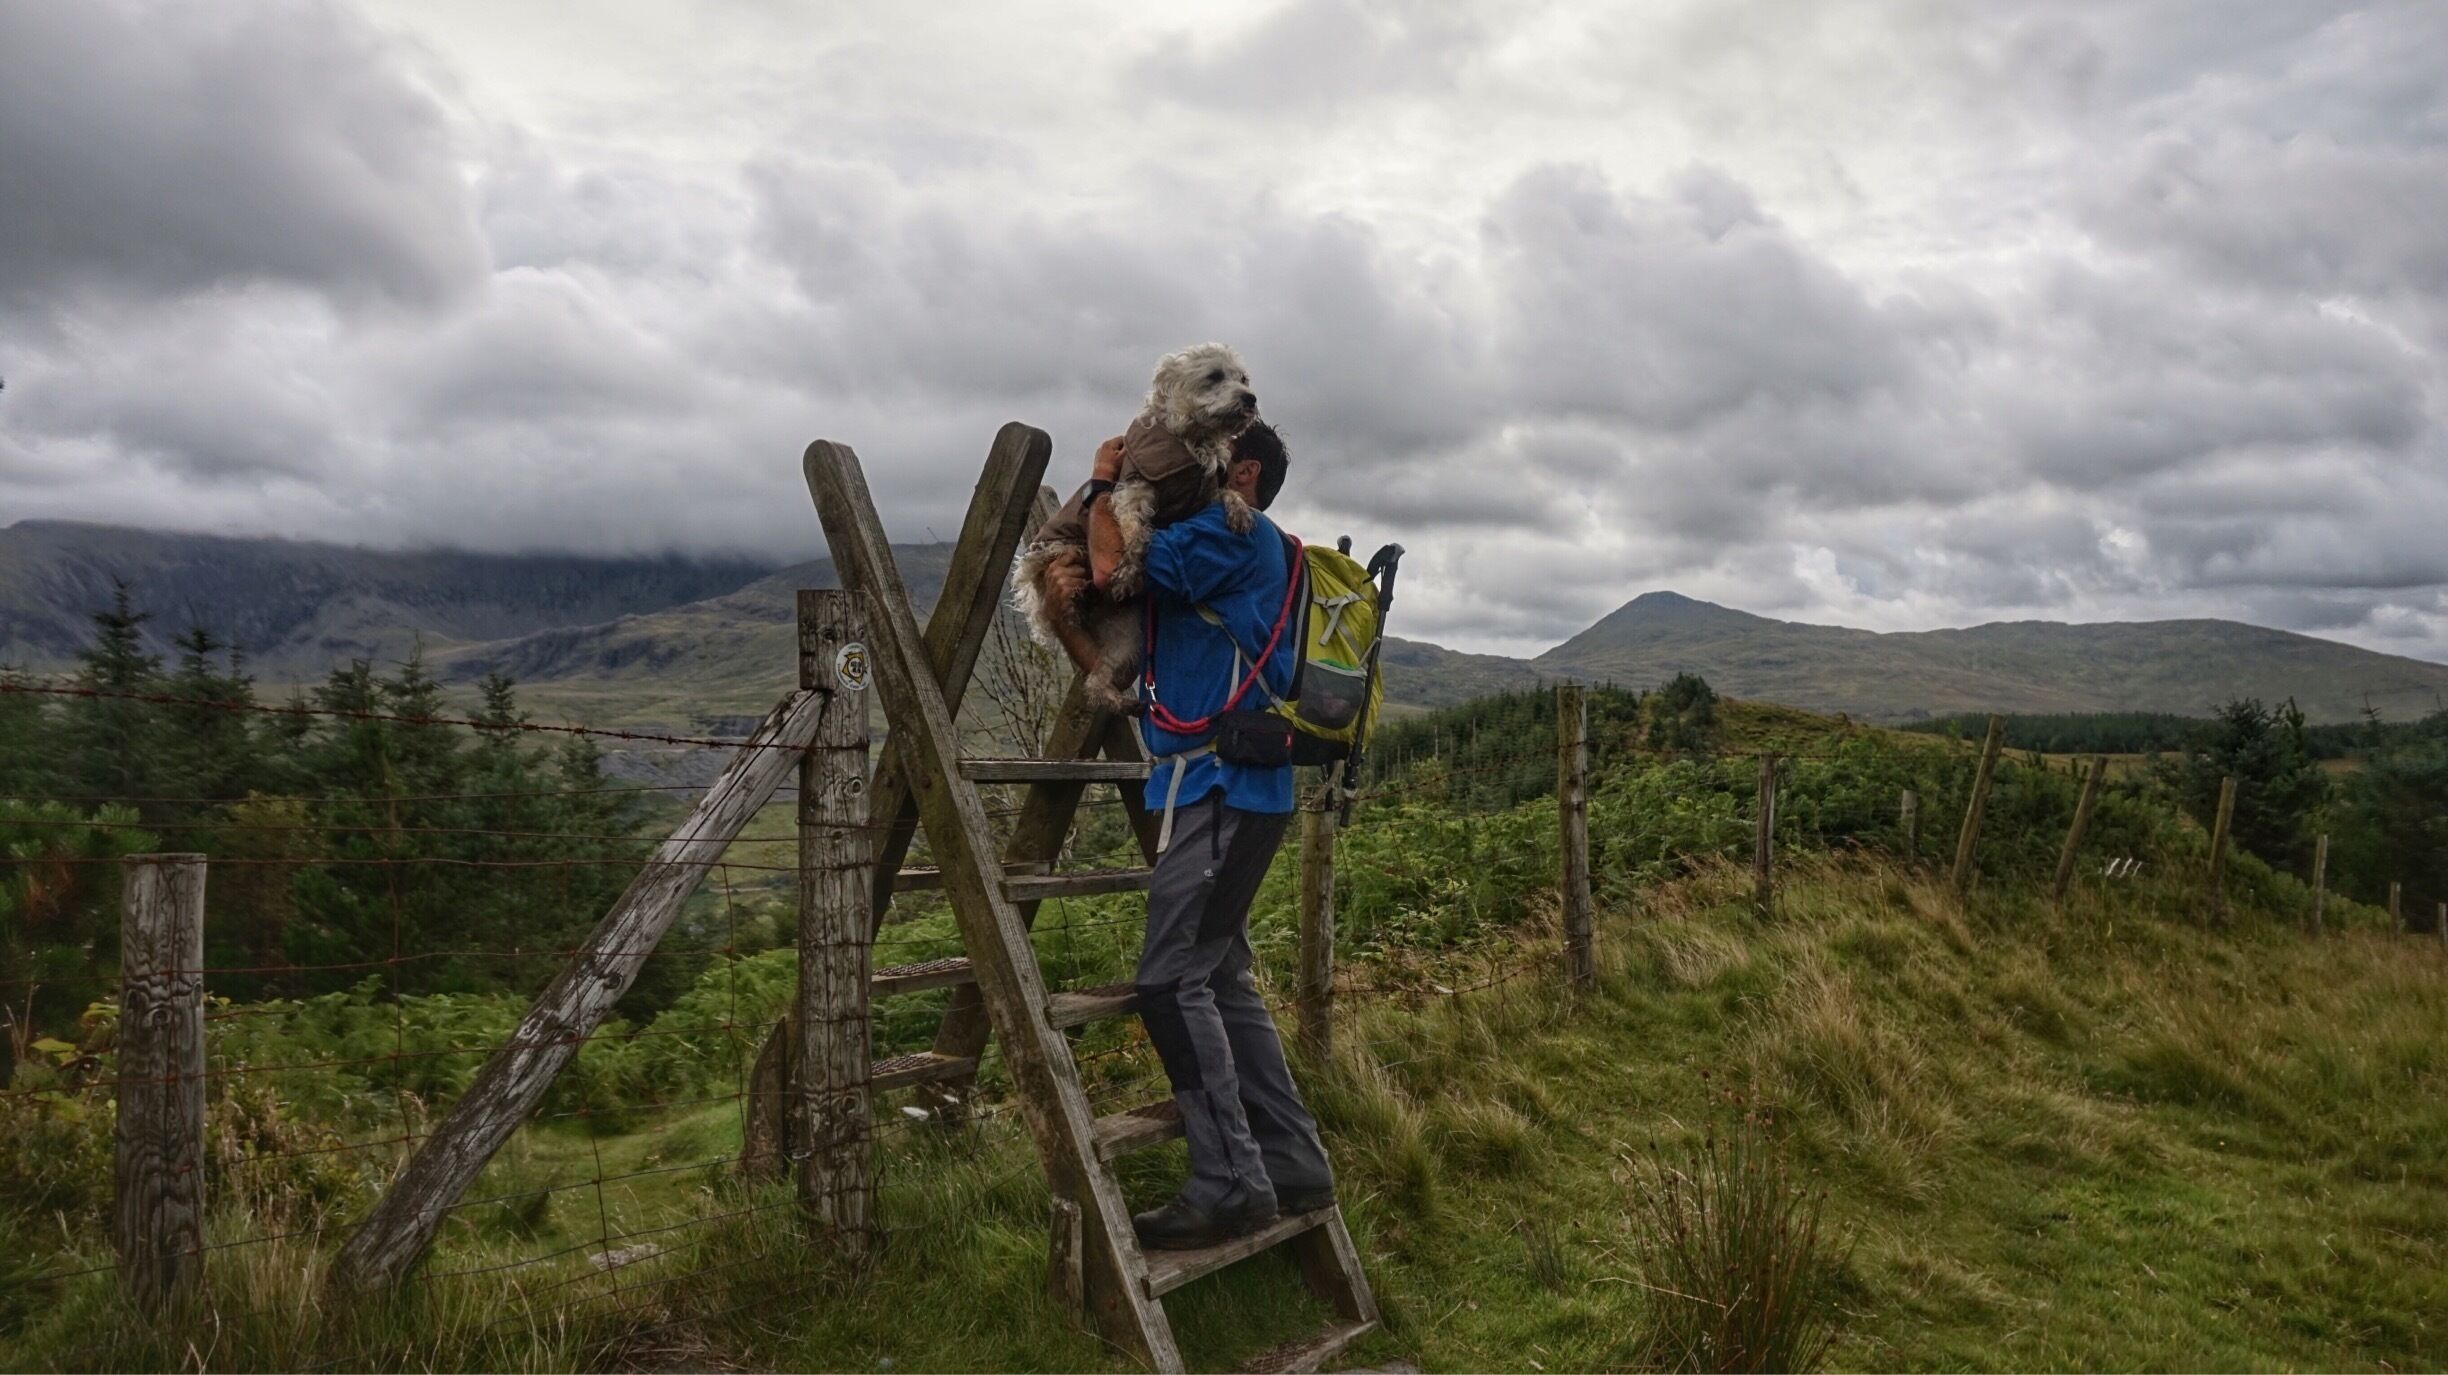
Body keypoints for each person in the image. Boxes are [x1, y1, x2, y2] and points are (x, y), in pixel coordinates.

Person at [1042, 420, 1335, 1249]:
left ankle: (1230, 1181)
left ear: (1243, 471)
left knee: (1172, 982)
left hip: (1216, 786)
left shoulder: (1229, 534)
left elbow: (1108, 567)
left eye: (1214, 456)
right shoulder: (1243, 543)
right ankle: (1292, 1163)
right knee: (1222, 976)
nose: (1199, 465)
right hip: (1237, 784)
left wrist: (1102, 480)